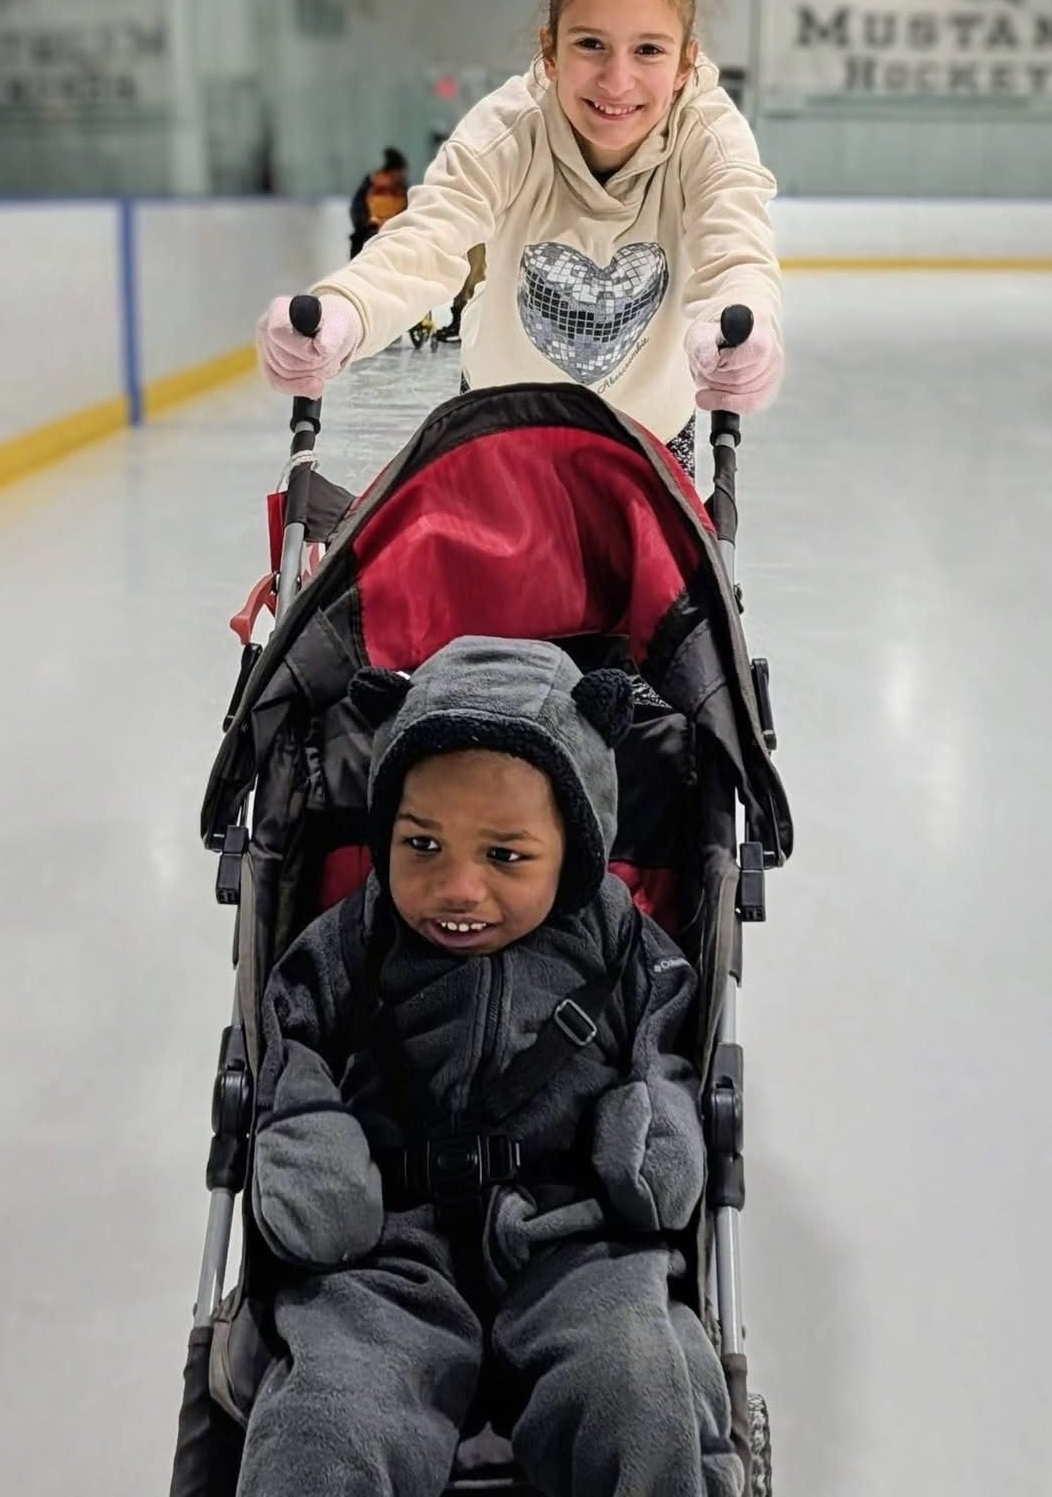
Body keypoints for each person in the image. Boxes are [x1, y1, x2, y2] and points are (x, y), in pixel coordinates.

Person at [237, 636, 741, 1497]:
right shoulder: (354, 940)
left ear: (574, 849)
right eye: (421, 845)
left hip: (574, 1238)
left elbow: (667, 1040)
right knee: (327, 1419)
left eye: (504, 856)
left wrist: (654, 1122)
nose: (457, 888)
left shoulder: (617, 941)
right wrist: (311, 1141)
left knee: (637, 1384)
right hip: (391, 1250)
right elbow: (290, 1041)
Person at [257, 0, 783, 475]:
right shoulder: (508, 129)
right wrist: (344, 310)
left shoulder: (710, 137)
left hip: (651, 442)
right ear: (551, 50)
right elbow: (428, 240)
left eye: (648, 50)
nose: (618, 81)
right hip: (497, 431)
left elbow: (736, 248)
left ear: (685, 64)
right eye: (590, 44)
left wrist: (741, 330)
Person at [347, 145, 409, 258]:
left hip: (394, 239)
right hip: (372, 238)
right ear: (392, 172)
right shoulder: (372, 187)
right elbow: (358, 213)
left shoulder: (401, 190)